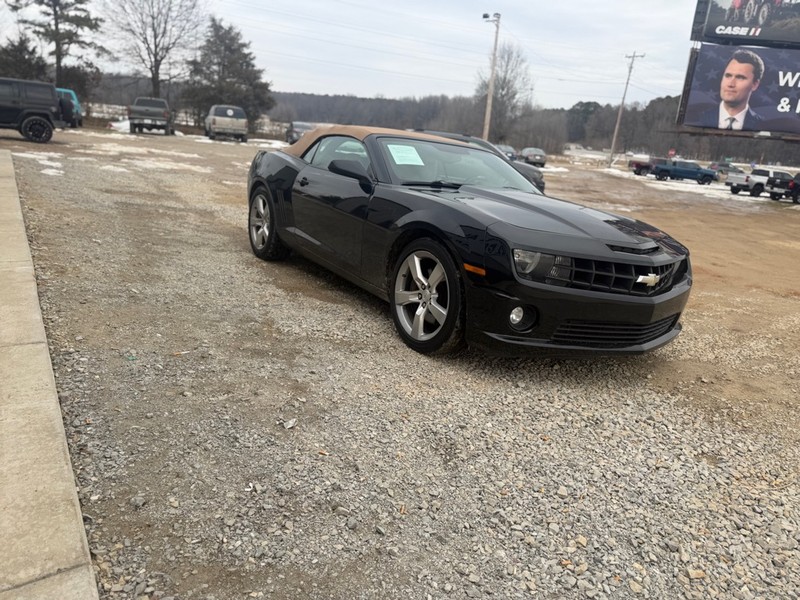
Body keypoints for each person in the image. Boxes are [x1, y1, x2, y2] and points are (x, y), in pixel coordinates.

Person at [694, 48, 765, 130]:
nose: (731, 84)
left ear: (755, 84)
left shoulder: (762, 125)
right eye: (728, 76)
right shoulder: (698, 119)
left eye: (740, 77)